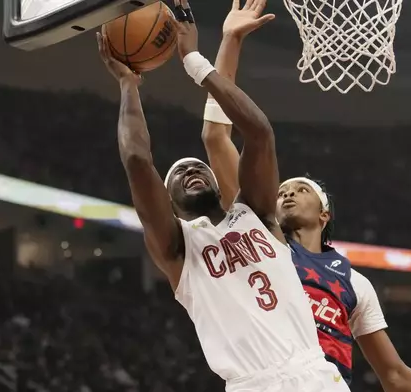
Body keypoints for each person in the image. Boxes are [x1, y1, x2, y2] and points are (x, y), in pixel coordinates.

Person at [199, 3, 411, 392]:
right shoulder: (261, 241)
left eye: (300, 190)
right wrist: (230, 40)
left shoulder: (355, 284)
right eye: (282, 189)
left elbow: (394, 375)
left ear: (324, 215)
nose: (285, 193)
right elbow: (216, 137)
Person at [96, 0, 351, 391]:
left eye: (198, 167)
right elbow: (136, 159)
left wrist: (194, 60)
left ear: (219, 182)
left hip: (316, 374)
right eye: (179, 172)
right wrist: (128, 85)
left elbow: (260, 133)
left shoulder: (259, 215)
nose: (191, 169)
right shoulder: (178, 249)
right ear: (170, 204)